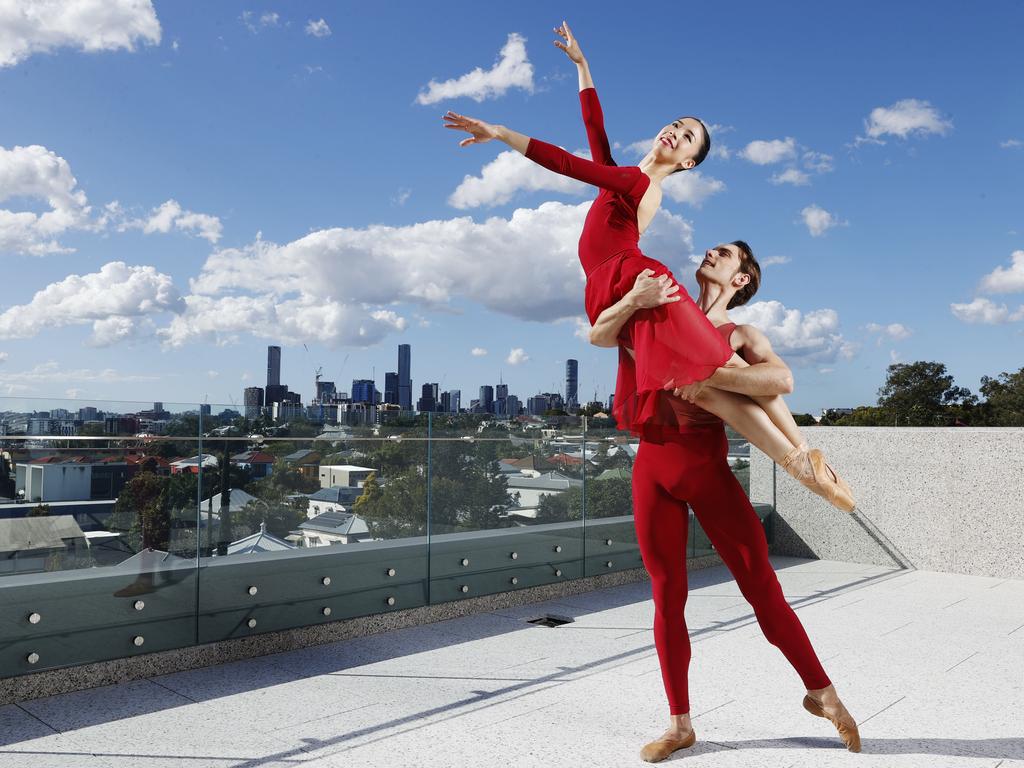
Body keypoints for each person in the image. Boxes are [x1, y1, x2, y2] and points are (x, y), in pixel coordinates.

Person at [442, 21, 853, 511]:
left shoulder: (635, 185)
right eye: (676, 125)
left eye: (687, 139)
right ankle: (803, 459)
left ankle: (799, 458)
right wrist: (583, 68)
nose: (675, 133)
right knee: (708, 386)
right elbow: (595, 134)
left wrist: (501, 132)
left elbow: (569, 164)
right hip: (613, 282)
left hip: (633, 277)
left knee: (718, 371)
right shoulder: (624, 179)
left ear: (688, 163)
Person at [589, 243, 862, 761]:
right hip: (653, 468)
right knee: (667, 596)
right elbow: (600, 334)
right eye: (715, 247)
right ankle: (679, 725)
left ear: (741, 281)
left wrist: (706, 374)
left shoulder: (739, 335)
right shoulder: (657, 308)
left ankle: (822, 694)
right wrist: (632, 301)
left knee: (762, 589)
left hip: (707, 470)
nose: (714, 251)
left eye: (729, 254)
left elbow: (780, 380)